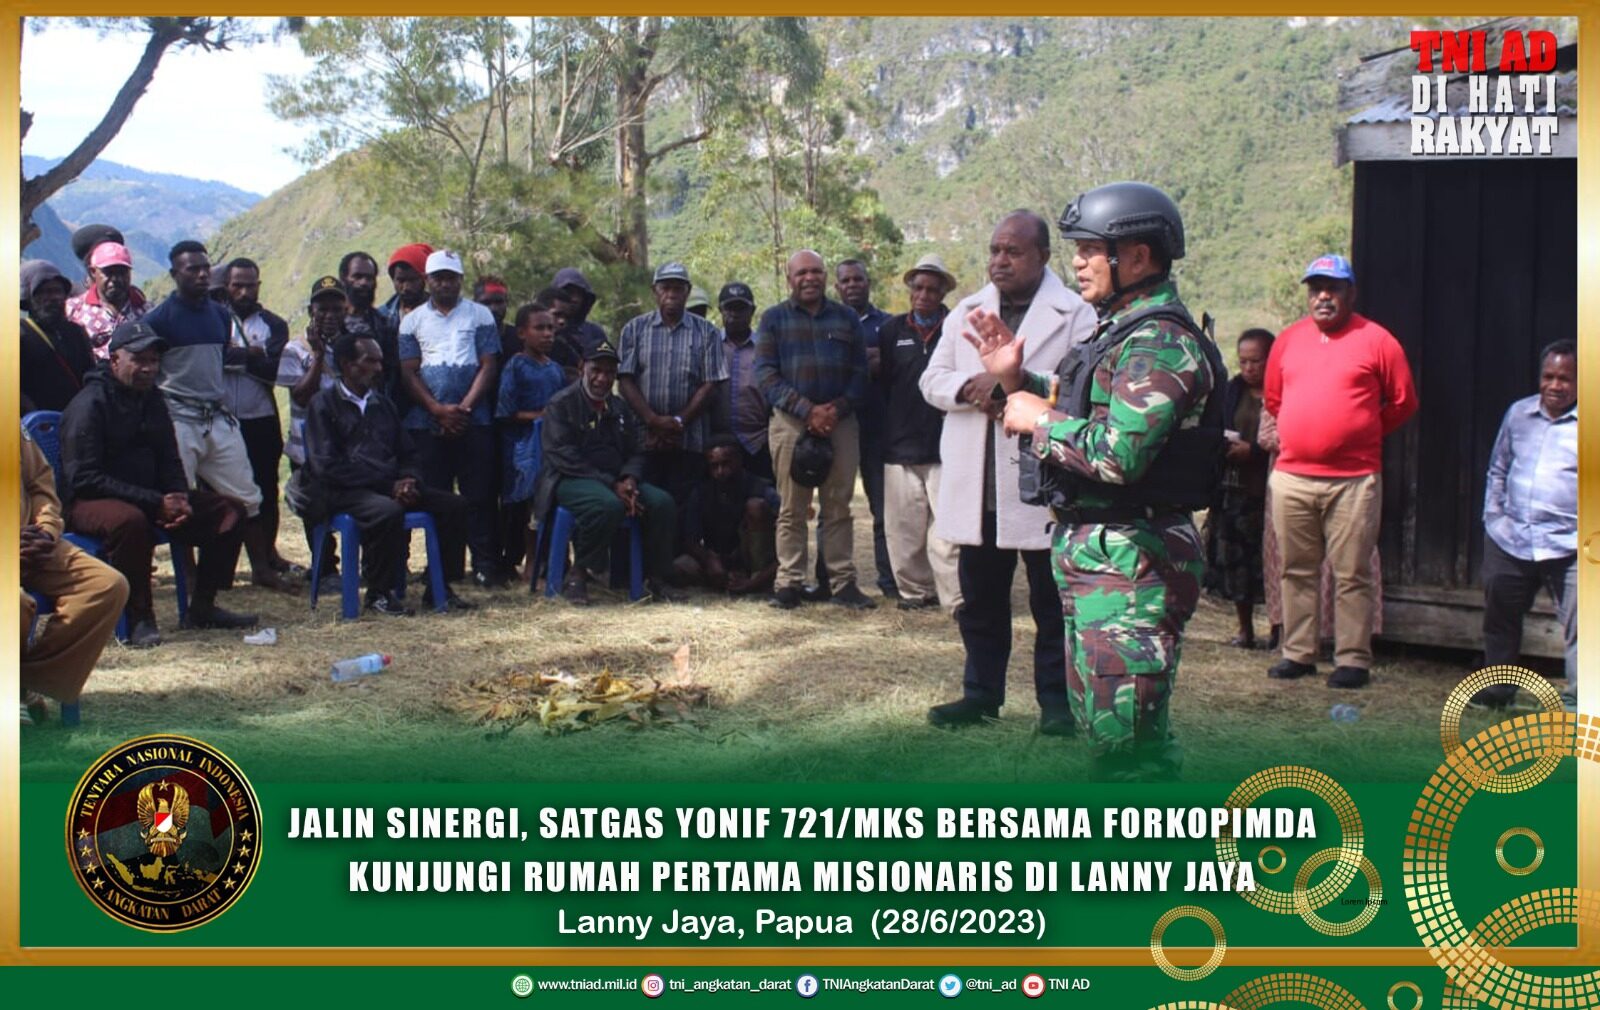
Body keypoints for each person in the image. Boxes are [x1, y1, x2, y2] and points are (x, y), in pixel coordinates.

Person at [978, 184, 1226, 782]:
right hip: (1104, 560)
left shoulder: (1160, 341)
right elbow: (1089, 405)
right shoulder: (1119, 334)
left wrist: (1038, 418)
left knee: (1131, 754)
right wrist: (1019, 380)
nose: (1078, 262)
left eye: (1092, 249)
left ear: (1137, 258)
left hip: (1132, 562)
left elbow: (1118, 453)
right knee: (1113, 736)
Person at [920, 211, 1095, 736]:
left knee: (1051, 602)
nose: (999, 260)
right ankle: (980, 694)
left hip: (1042, 479)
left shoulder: (1076, 314)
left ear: (1042, 256)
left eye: (1012, 252)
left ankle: (1056, 704)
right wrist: (970, 388)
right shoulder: (966, 312)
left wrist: (1011, 388)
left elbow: (1079, 389)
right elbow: (932, 380)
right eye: (994, 250)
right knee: (980, 601)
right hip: (979, 482)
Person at [1264, 253, 1418, 689]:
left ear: (1350, 293)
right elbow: (1275, 401)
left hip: (1354, 479)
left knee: (1352, 572)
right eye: (1316, 289)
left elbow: (1403, 402)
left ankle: (1352, 659)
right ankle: (1298, 653)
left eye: (1332, 288)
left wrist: (1362, 432)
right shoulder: (1289, 341)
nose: (1323, 297)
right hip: (1293, 476)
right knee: (1296, 568)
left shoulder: (1378, 341)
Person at [60, 321, 259, 646]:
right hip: (89, 502)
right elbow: (84, 479)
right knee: (130, 522)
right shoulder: (89, 404)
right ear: (114, 361)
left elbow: (169, 456)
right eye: (139, 359)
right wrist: (155, 502)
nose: (148, 368)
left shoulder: (151, 399)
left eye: (153, 361)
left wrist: (178, 496)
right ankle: (139, 618)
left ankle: (203, 606)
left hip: (151, 498)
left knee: (230, 511)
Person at [140, 241, 297, 594]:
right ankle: (190, 576)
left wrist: (242, 355)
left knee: (247, 493)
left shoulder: (218, 316)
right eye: (190, 269)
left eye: (203, 268)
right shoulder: (158, 319)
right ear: (174, 274)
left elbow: (220, 357)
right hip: (178, 415)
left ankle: (260, 567)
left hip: (216, 415)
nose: (199, 274)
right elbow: (148, 367)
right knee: (182, 497)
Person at [304, 333, 472, 617]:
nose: (379, 368)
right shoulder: (323, 405)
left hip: (389, 485)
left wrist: (409, 480)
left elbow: (408, 453)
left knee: (454, 506)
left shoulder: (383, 405)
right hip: (344, 491)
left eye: (381, 361)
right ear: (346, 364)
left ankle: (439, 587)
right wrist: (388, 485)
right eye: (370, 361)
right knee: (387, 511)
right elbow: (326, 466)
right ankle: (379, 594)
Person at [756, 250, 874, 611]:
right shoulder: (773, 319)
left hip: (840, 422)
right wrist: (807, 411)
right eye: (802, 273)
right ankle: (788, 583)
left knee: (838, 506)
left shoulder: (846, 318)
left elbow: (860, 374)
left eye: (817, 272)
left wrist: (833, 411)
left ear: (826, 278)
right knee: (792, 508)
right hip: (791, 423)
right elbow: (765, 375)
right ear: (789, 278)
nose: (810, 278)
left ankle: (842, 583)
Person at [532, 341, 680, 605]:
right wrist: (613, 484)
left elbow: (636, 450)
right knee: (607, 506)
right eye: (596, 370)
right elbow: (564, 457)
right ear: (581, 368)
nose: (602, 379)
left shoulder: (619, 407)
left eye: (610, 373)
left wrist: (630, 479)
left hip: (616, 480)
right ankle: (578, 574)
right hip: (571, 480)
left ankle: (657, 578)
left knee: (662, 503)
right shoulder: (561, 404)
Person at [1474, 341, 1577, 711]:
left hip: (1570, 543)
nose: (1555, 385)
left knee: (1585, 626)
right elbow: (1498, 468)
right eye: (1548, 376)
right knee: (1500, 617)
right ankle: (1498, 691)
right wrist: (1494, 517)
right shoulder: (1518, 414)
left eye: (1565, 378)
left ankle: (1578, 700)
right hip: (1511, 536)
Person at [399, 249, 504, 589]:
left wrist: (465, 408)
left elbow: (489, 364)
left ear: (460, 281)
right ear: (428, 281)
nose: (444, 283)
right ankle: (444, 567)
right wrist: (436, 409)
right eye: (438, 277)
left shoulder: (480, 316)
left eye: (451, 277)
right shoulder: (411, 321)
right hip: (427, 424)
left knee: (480, 495)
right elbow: (408, 371)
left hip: (475, 421)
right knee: (439, 495)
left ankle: (485, 566)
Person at [20, 427, 128, 723]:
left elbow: (40, 485)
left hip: (30, 541)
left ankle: (28, 681)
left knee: (106, 586)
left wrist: (46, 531)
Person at [879, 254, 962, 612]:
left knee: (948, 532)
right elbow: (883, 386)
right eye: (918, 288)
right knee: (903, 530)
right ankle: (914, 593)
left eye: (932, 288)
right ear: (910, 290)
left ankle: (954, 598)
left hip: (947, 445)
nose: (924, 294)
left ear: (943, 291)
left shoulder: (957, 329)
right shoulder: (891, 332)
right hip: (899, 445)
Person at [616, 262, 729, 510]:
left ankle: (680, 551)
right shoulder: (634, 329)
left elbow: (712, 384)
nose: (672, 294)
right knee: (645, 505)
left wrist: (678, 422)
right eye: (665, 287)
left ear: (687, 292)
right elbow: (625, 380)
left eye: (678, 288)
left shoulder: (707, 332)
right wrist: (653, 421)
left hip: (689, 440)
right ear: (654, 291)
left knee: (683, 508)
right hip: (644, 439)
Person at [221, 257, 293, 576]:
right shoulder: (214, 320)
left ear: (259, 285)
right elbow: (213, 356)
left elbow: (274, 370)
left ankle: (267, 556)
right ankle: (223, 565)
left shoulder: (274, 324)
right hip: (221, 418)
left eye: (250, 284)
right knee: (220, 492)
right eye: (238, 285)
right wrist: (250, 354)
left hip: (261, 416)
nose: (244, 291)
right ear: (227, 286)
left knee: (265, 488)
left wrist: (235, 357)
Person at [1203, 328, 1274, 648]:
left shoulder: (1280, 393)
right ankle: (1244, 629)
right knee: (1235, 561)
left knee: (1269, 563)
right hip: (1233, 488)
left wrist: (1255, 452)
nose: (1248, 368)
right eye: (1243, 361)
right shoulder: (1232, 391)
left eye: (1256, 361)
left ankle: (1278, 630)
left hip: (1267, 491)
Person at [278, 276, 349, 583]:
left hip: (346, 445)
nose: (329, 315)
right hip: (306, 447)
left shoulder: (353, 346)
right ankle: (324, 566)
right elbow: (301, 395)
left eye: (336, 308)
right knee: (315, 507)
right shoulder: (295, 349)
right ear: (311, 310)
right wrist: (318, 356)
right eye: (323, 309)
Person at [834, 258, 897, 598]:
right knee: (834, 507)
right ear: (837, 287)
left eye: (859, 279)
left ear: (868, 283)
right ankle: (834, 580)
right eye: (846, 280)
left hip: (876, 428)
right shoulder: (828, 322)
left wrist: (874, 360)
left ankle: (889, 581)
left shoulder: (887, 325)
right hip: (837, 426)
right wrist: (865, 361)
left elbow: (892, 365)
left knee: (882, 509)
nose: (853, 285)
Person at [496, 302, 568, 578]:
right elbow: (505, 411)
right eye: (540, 328)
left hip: (552, 446)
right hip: (524, 447)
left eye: (551, 328)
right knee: (530, 506)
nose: (548, 334)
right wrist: (540, 415)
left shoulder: (556, 369)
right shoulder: (515, 367)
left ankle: (557, 559)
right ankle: (531, 561)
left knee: (552, 499)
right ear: (523, 333)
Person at [673, 436, 780, 595]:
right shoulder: (702, 491)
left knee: (755, 507)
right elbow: (690, 540)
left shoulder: (761, 488)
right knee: (680, 566)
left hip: (756, 561)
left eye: (726, 464)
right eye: (714, 466)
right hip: (721, 559)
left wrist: (754, 583)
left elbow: (788, 550)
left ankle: (758, 583)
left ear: (739, 461)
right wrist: (710, 559)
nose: (720, 472)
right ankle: (728, 581)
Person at [20, 259, 95, 413]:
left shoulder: (76, 332)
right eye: (45, 292)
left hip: (78, 420)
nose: (54, 298)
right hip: (37, 426)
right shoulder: (19, 336)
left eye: (58, 291)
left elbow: (91, 374)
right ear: (28, 297)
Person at [717, 282, 771, 479]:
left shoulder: (767, 348)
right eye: (729, 308)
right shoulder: (709, 346)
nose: (734, 314)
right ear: (720, 310)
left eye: (741, 308)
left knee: (762, 503)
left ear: (752, 311)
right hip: (717, 446)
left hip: (758, 443)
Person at [338, 250, 404, 402]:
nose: (364, 283)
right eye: (357, 276)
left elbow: (392, 373)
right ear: (343, 279)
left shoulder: (384, 325)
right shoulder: (331, 323)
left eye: (369, 278)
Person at [67, 240, 149, 358]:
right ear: (93, 272)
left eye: (122, 272)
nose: (115, 279)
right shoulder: (73, 310)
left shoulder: (146, 312)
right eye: (108, 272)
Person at [550, 267, 609, 357]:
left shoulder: (594, 333)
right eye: (570, 293)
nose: (575, 299)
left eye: (579, 294)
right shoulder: (544, 329)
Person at [379, 243, 433, 326]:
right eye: (400, 280)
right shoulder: (382, 317)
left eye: (412, 280)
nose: (406, 287)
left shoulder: (443, 311)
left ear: (424, 278)